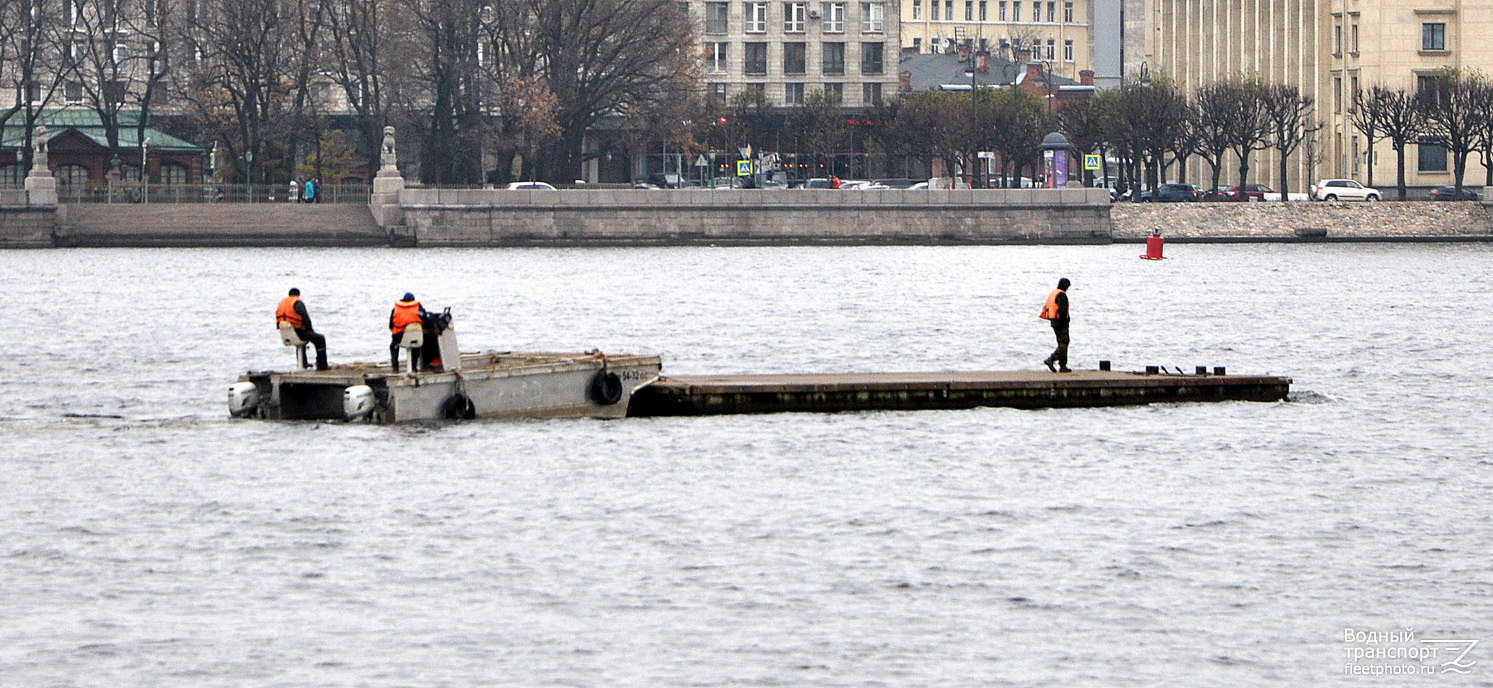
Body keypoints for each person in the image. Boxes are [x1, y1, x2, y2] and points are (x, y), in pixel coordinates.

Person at [275, 287, 329, 370]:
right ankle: (322, 365)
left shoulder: (281, 303)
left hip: (286, 334)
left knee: (300, 342)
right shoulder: (297, 303)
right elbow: (306, 318)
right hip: (298, 331)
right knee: (320, 339)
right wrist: (310, 330)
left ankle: (303, 364)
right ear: (298, 295)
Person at [1039, 278, 1072, 373]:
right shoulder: (1061, 295)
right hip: (1061, 322)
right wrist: (1065, 320)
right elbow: (1062, 310)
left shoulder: (1054, 293)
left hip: (1054, 321)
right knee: (1064, 343)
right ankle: (1052, 359)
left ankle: (1063, 365)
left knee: (1062, 342)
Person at [389, 292, 427, 372]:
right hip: (416, 337)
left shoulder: (396, 309)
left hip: (399, 336)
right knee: (416, 346)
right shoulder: (419, 309)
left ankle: (395, 368)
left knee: (393, 346)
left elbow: (391, 325)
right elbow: (427, 322)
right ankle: (413, 367)